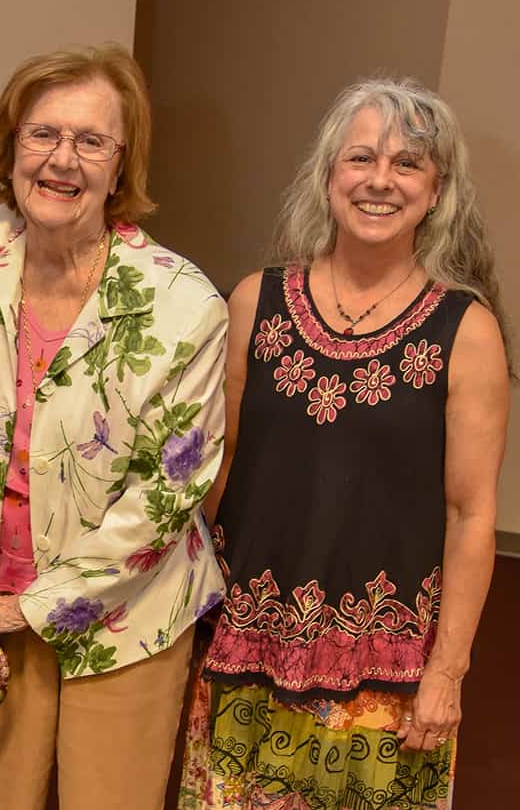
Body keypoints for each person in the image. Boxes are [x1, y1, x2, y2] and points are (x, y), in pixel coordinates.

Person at [0, 44, 228, 809]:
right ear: (12, 146)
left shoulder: (185, 306)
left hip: (126, 619)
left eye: (91, 141)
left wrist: (29, 607)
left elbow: (163, 502)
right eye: (43, 134)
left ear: (121, 167)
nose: (62, 160)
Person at [178, 78, 511, 809]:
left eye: (408, 164)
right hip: (246, 655)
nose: (380, 181)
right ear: (327, 173)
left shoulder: (467, 330)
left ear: (437, 189)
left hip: (385, 685)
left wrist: (447, 673)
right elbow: (220, 471)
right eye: (361, 157)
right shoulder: (253, 303)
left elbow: (472, 514)